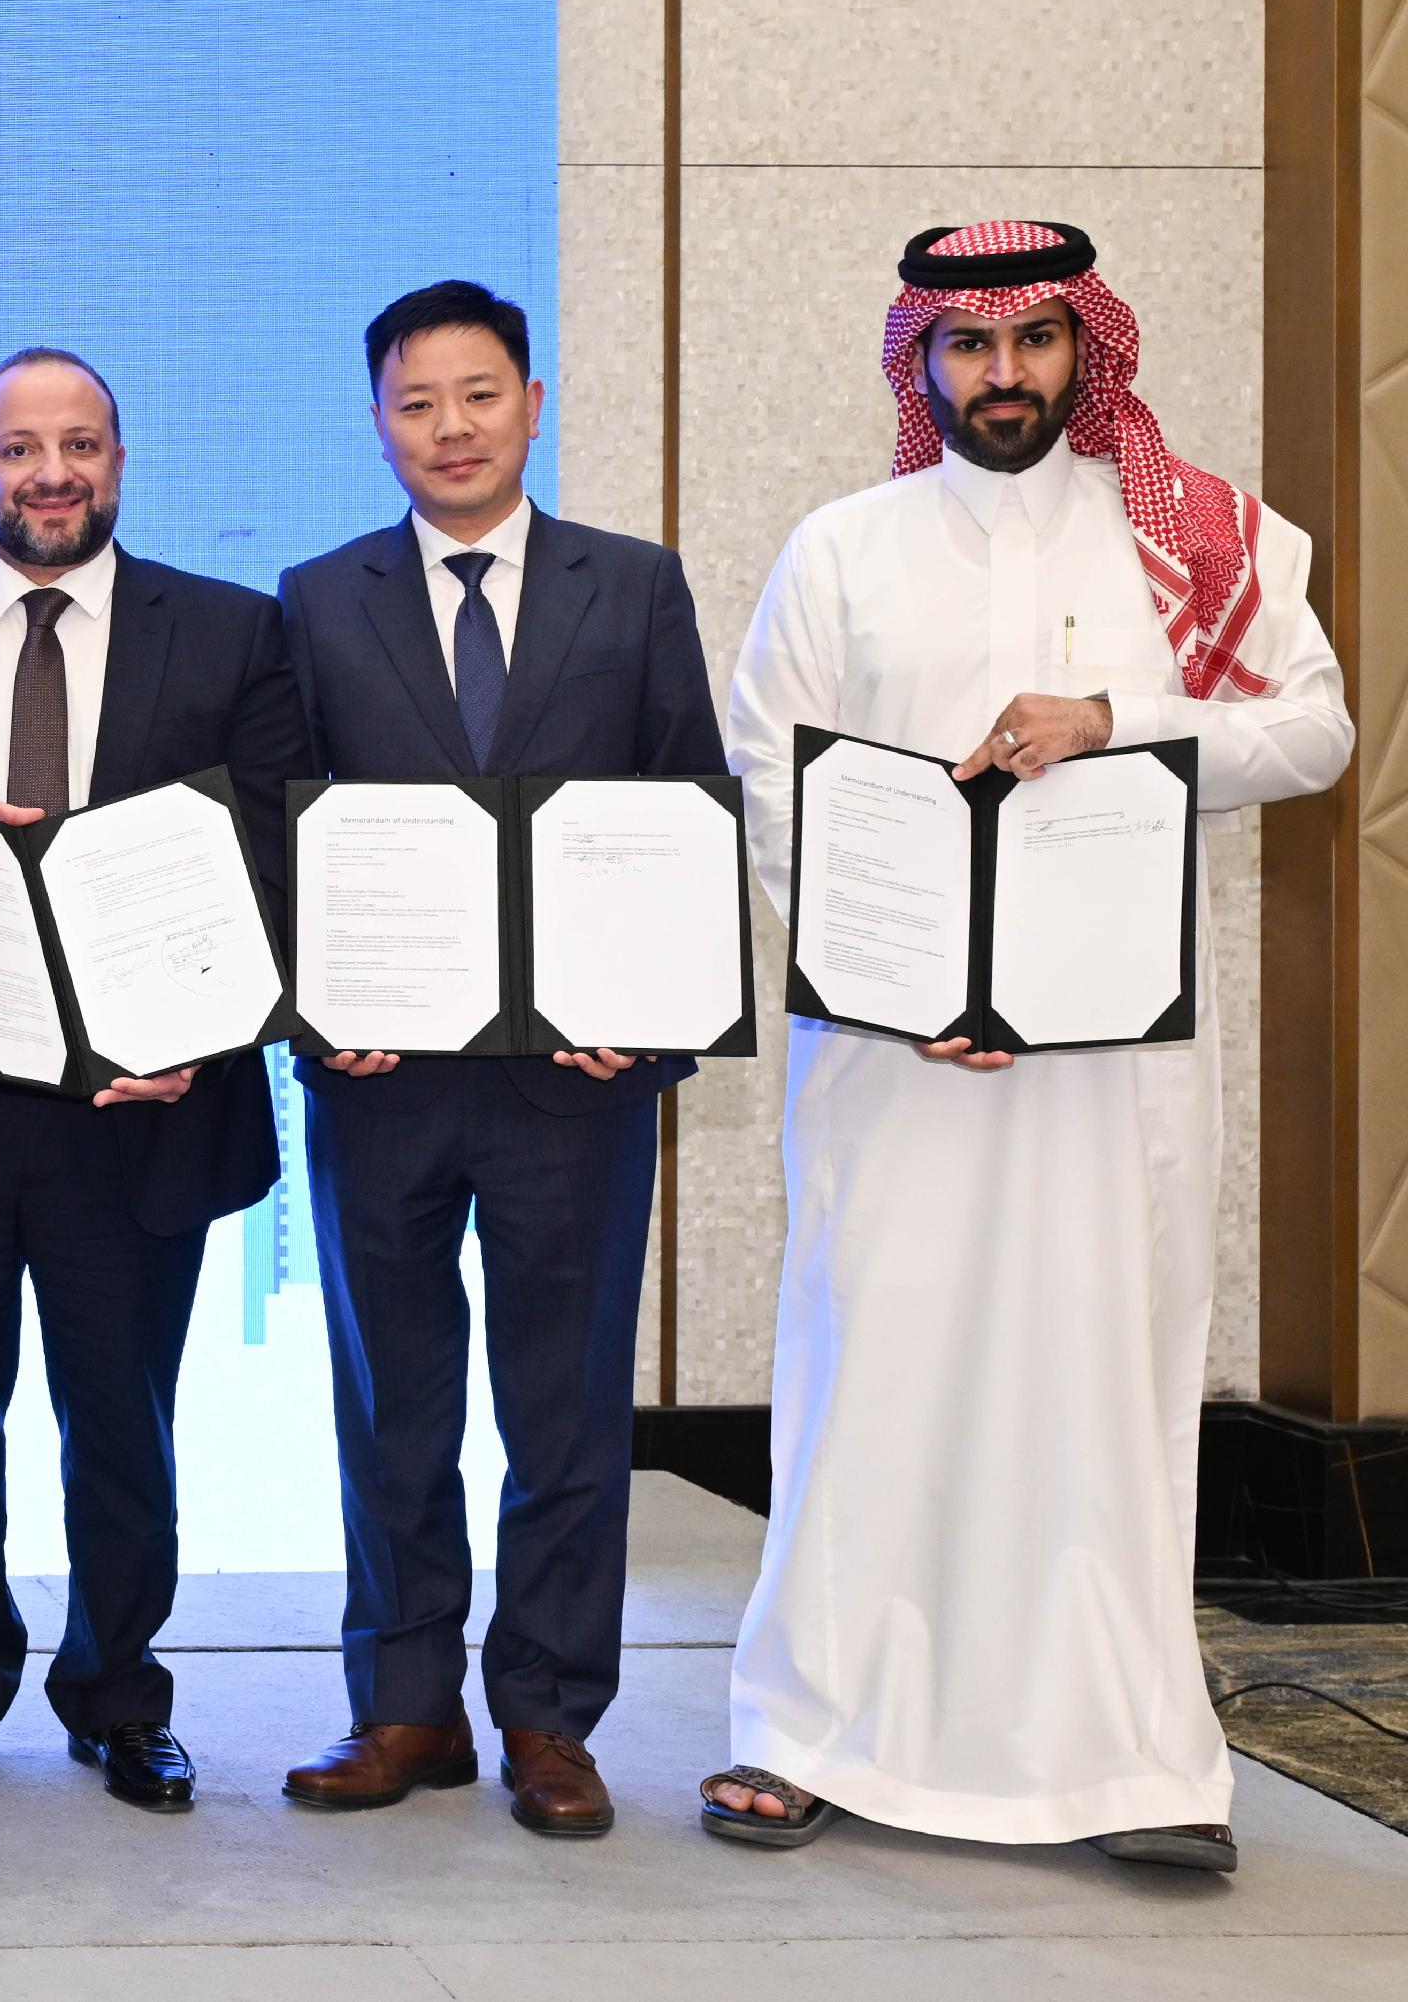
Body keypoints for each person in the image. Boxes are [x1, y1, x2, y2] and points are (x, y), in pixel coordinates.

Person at [710, 220, 1348, 1870]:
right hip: (894, 1053)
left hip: (1111, 1064)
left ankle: (1130, 1758)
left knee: (1103, 1372)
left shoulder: (1199, 540)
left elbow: (1318, 727)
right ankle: (811, 1729)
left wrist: (1115, 724)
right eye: (971, 347)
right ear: (921, 363)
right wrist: (905, 981)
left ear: (1089, 349)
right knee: (874, 1366)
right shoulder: (844, 546)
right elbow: (772, 778)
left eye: (1037, 342)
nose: (1006, 375)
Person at [273, 279, 727, 1839]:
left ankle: (549, 1715)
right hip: (384, 1083)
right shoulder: (318, 598)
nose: (449, 427)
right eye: (416, 401)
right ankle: (404, 1705)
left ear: (532, 402)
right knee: (391, 1404)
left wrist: (654, 1019)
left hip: (574, 1089)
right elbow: (289, 843)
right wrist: (317, 1002)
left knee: (568, 1408)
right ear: (378, 421)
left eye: (478, 394)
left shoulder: (635, 586)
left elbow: (690, 811)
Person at [0, 348, 311, 1812]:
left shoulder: (238, 632)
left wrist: (203, 1025)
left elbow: (274, 859)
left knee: (122, 1414)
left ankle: (119, 1690)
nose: (53, 471)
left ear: (122, 460)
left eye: (83, 445)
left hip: (149, 1102)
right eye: (21, 446)